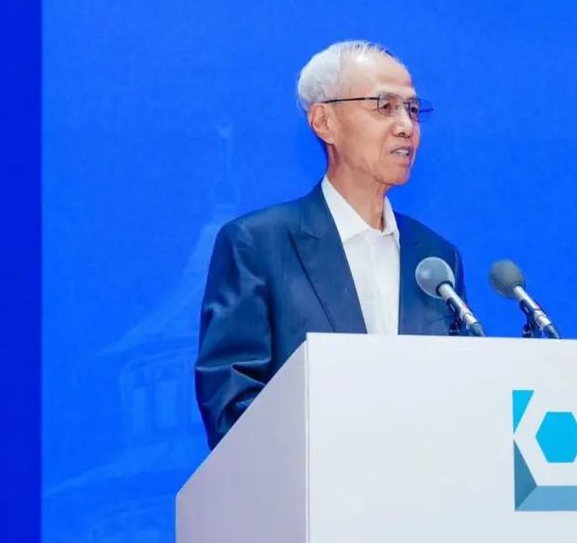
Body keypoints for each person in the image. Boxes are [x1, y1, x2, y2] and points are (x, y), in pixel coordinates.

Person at [195, 40, 468, 448]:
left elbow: (462, 392)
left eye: (412, 109)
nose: (406, 126)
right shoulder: (258, 245)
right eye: (385, 106)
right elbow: (231, 407)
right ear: (324, 122)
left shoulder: (435, 259)